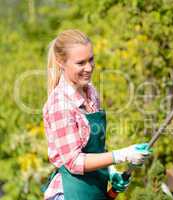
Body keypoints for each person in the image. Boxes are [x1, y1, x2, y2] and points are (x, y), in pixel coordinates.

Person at [42, 29, 151, 200]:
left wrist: (110, 171)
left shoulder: (91, 92)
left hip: (95, 190)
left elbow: (95, 148)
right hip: (70, 193)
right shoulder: (60, 104)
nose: (89, 68)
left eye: (91, 59)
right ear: (61, 62)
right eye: (80, 63)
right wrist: (121, 155)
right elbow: (73, 162)